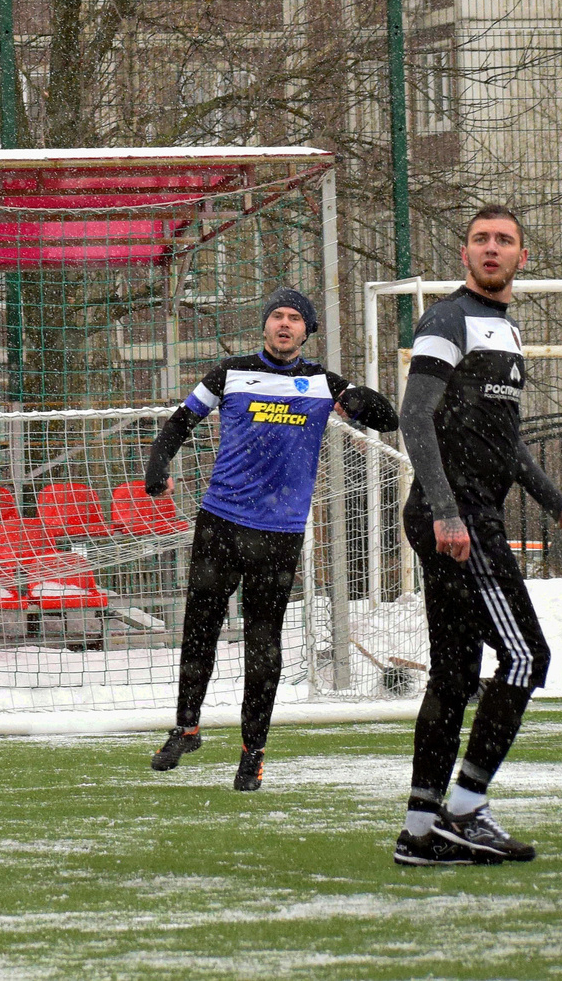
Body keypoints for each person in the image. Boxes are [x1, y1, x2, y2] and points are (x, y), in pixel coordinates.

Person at [391, 204, 562, 866]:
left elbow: (504, 444)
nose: (491, 247)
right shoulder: (448, 319)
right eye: (481, 238)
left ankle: (420, 832)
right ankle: (466, 807)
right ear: (464, 253)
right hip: (456, 518)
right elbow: (415, 417)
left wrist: (559, 504)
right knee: (526, 656)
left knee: (455, 675)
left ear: (521, 256)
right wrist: (449, 511)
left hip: (465, 514)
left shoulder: (506, 332)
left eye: (504, 239)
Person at [141, 288, 400, 790]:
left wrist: (361, 402)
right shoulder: (229, 372)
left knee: (264, 644)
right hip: (220, 523)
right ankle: (186, 727)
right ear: (264, 326)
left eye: (294, 319)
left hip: (278, 534)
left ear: (307, 331)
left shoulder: (325, 384)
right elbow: (179, 423)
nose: (285, 324)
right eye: (277, 316)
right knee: (199, 630)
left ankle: (252, 752)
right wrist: (157, 466)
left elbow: (387, 420)